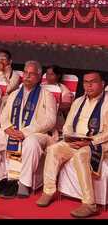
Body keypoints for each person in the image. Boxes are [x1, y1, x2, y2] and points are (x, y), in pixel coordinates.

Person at [0, 61, 57, 199]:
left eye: (31, 74)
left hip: (36, 134)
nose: (27, 76)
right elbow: (4, 115)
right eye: (25, 72)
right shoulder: (15, 94)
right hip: (13, 132)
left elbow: (51, 120)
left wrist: (26, 132)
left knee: (31, 142)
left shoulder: (47, 95)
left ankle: (23, 183)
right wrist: (8, 128)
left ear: (39, 76)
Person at [37, 71, 107, 218]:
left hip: (100, 142)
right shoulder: (78, 101)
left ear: (103, 84)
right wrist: (70, 138)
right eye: (85, 82)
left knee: (82, 154)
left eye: (93, 82)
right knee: (54, 149)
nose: (88, 85)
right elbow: (67, 126)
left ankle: (89, 204)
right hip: (77, 141)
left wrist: (89, 142)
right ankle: (48, 191)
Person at [42, 65, 74, 136]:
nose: (48, 76)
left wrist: (49, 107)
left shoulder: (64, 90)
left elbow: (66, 106)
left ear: (58, 76)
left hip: (56, 120)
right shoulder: (41, 86)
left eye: (51, 74)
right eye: (47, 74)